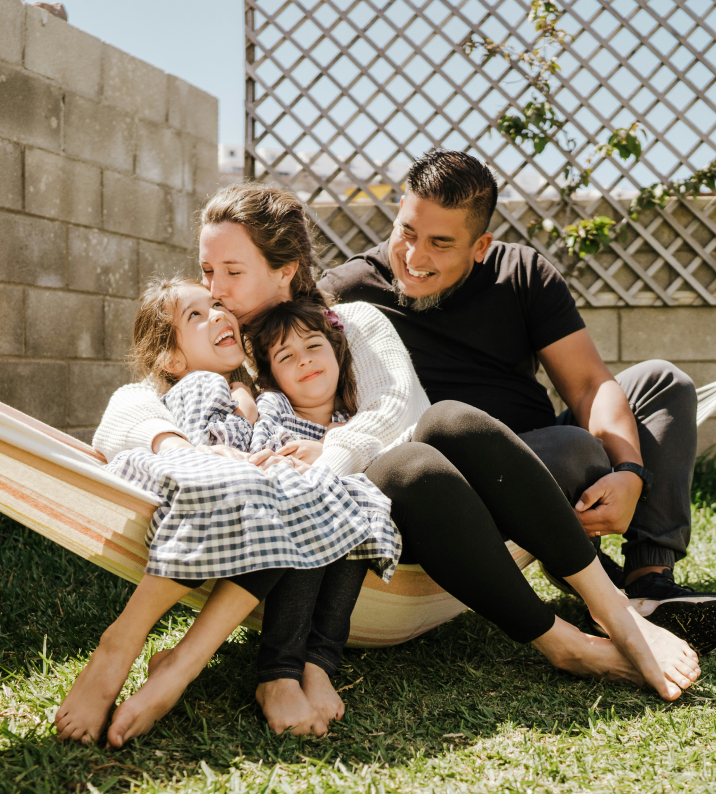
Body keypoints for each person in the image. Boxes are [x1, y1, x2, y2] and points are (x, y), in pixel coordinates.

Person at [91, 183, 700, 733]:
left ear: (286, 273)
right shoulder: (222, 349)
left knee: (446, 423)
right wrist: (174, 446)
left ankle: (622, 602)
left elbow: (399, 414)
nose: (214, 292)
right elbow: (127, 407)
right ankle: (561, 639)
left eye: (230, 272)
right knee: (409, 469)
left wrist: (323, 457)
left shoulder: (346, 320)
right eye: (205, 271)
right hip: (389, 516)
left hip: (420, 496)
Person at [318, 149, 716, 653]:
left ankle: (649, 583)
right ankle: (593, 576)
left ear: (481, 245)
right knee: (576, 449)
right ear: (398, 210)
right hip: (455, 486)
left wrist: (631, 472)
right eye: (407, 232)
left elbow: (590, 384)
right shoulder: (348, 291)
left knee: (663, 382)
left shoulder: (522, 273)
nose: (414, 258)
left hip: (540, 447)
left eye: (441, 244)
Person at [56, 277, 399, 746]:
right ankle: (120, 645)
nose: (218, 313)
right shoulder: (199, 383)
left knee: (301, 493)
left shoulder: (246, 390)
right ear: (173, 360)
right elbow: (202, 444)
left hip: (237, 498)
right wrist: (233, 425)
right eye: (196, 314)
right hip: (194, 485)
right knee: (273, 490)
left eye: (217, 304)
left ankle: (187, 661)